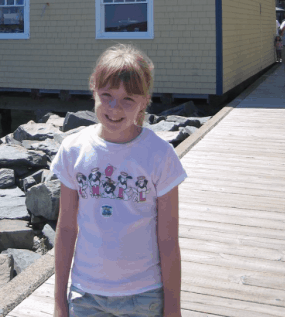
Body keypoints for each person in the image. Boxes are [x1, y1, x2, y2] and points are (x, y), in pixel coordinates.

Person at [51, 44, 187, 317]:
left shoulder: (160, 155)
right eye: (107, 95)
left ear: (144, 101)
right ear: (94, 91)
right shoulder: (73, 150)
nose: (115, 108)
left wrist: (173, 307)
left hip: (144, 296)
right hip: (85, 295)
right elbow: (66, 229)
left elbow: (169, 238)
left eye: (128, 99)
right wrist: (59, 301)